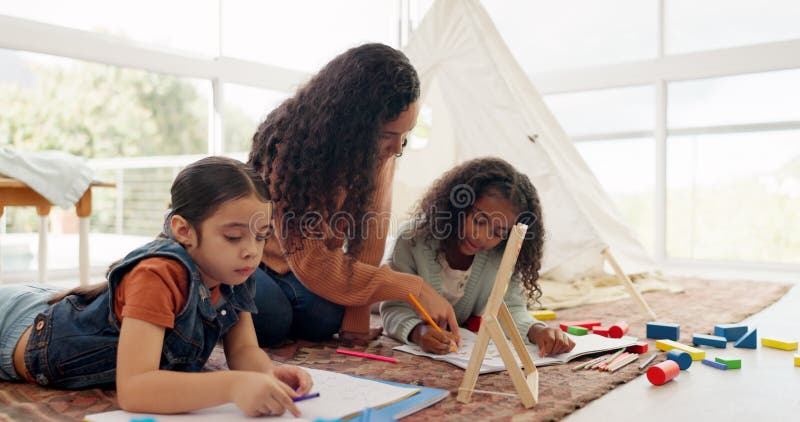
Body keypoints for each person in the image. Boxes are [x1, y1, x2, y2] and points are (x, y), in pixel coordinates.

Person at [0, 156, 311, 417]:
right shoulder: (158, 275)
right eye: (233, 236)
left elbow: (244, 350)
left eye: (261, 236)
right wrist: (232, 385)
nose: (251, 251)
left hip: (48, 307)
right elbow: (135, 389)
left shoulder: (234, 273)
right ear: (184, 230)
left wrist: (267, 374)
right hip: (16, 327)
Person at [247, 43, 459, 346]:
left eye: (406, 135)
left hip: (299, 270)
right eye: (387, 135)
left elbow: (370, 236)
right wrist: (416, 287)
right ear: (354, 125)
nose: (398, 148)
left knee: (326, 319)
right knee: (273, 320)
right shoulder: (293, 148)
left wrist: (357, 318)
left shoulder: (380, 154)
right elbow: (313, 262)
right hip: (253, 260)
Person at [380, 157, 575, 357]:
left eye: (498, 232)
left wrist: (537, 331)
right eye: (479, 220)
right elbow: (393, 308)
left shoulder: (501, 253)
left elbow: (510, 307)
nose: (481, 237)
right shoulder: (412, 240)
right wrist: (418, 332)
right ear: (457, 207)